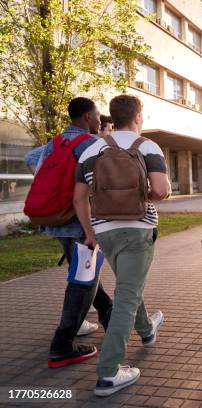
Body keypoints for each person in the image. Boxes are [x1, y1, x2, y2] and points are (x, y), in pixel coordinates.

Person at [73, 94, 171, 397]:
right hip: (138, 229)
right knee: (127, 295)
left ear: (112, 118)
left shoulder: (90, 148)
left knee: (129, 285)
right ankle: (109, 373)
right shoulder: (148, 147)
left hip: (104, 231)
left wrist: (90, 232)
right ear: (138, 117)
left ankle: (146, 329)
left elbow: (79, 198)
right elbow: (161, 190)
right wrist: (140, 198)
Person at [24, 97, 114, 368]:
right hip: (81, 222)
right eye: (98, 115)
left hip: (56, 220)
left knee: (84, 274)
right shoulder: (91, 143)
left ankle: (109, 315)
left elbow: (29, 158)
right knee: (82, 282)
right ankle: (62, 346)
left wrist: (54, 185)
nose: (100, 120)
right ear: (87, 117)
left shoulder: (57, 141)